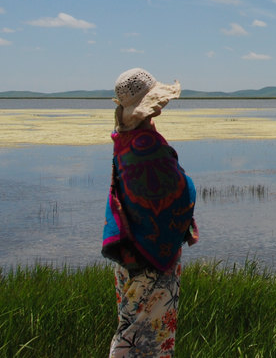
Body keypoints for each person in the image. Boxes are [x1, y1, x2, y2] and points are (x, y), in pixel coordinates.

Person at [103, 68, 199, 357]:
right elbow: (179, 191)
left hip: (130, 252)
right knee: (146, 338)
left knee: (132, 322)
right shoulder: (148, 146)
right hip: (153, 257)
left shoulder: (125, 140)